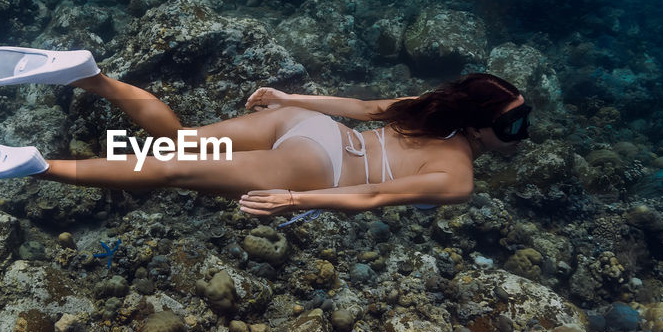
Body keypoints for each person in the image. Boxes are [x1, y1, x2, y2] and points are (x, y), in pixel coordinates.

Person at [36, 70, 531, 217]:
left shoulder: (432, 106)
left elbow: (361, 110)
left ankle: (94, 78)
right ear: (480, 125)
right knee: (170, 168)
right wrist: (297, 199)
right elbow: (375, 195)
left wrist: (288, 99)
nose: (521, 135)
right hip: (320, 166)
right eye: (512, 124)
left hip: (311, 127)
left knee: (178, 143)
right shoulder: (459, 177)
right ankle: (39, 169)